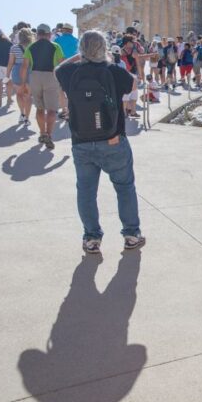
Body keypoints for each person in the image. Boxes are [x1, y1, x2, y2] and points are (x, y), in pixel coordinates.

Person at [55, 30, 146, 254]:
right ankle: (131, 235)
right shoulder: (113, 70)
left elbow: (58, 69)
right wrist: (109, 58)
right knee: (124, 188)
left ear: (81, 49)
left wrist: (80, 56)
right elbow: (134, 84)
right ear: (105, 47)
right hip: (113, 139)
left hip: (81, 142)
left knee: (86, 191)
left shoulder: (70, 72)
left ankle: (91, 238)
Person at [20, 24, 65, 150]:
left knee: (40, 108)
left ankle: (42, 133)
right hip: (51, 76)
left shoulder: (30, 46)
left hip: (35, 76)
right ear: (49, 34)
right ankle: (49, 135)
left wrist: (23, 84)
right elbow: (62, 64)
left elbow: (25, 66)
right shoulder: (55, 46)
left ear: (38, 34)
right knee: (51, 110)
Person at [7, 27, 33, 124]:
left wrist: (7, 75)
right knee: (28, 95)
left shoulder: (14, 48)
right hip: (30, 70)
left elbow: (10, 63)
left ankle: (22, 113)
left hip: (17, 70)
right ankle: (27, 118)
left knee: (19, 94)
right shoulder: (33, 47)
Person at [55, 23, 79, 120]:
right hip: (75, 67)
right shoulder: (77, 41)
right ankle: (73, 109)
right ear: (72, 31)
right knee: (74, 88)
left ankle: (65, 110)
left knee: (61, 89)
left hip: (61, 67)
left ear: (63, 30)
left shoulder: (57, 41)